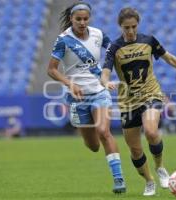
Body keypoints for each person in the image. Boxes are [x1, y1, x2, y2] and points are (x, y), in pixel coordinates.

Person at [101, 7, 176, 196]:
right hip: (128, 101)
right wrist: (105, 82)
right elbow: (106, 71)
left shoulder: (148, 41)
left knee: (151, 131)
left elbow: (170, 59)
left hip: (151, 93)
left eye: (134, 26)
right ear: (120, 27)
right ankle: (149, 181)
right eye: (127, 28)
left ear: (138, 24)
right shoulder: (114, 47)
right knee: (135, 149)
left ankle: (160, 167)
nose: (131, 31)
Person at [46, 2, 126, 193]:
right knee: (93, 146)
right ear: (71, 19)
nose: (82, 22)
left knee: (104, 131)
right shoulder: (63, 40)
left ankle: (119, 179)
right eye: (78, 19)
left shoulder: (98, 34)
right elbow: (51, 70)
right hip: (77, 98)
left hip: (99, 92)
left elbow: (115, 52)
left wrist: (106, 78)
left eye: (85, 19)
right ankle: (96, 145)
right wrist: (70, 84)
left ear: (89, 18)